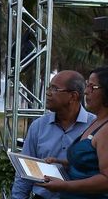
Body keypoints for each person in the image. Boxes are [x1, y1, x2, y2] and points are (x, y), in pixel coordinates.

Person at [11, 70, 95, 199]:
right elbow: (24, 171)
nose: (48, 93)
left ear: (73, 96)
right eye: (49, 88)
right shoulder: (38, 126)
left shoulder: (95, 126)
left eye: (55, 89)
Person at [41, 66, 108, 199]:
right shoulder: (96, 122)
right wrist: (62, 163)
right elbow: (90, 163)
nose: (86, 92)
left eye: (92, 87)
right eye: (87, 85)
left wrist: (65, 186)